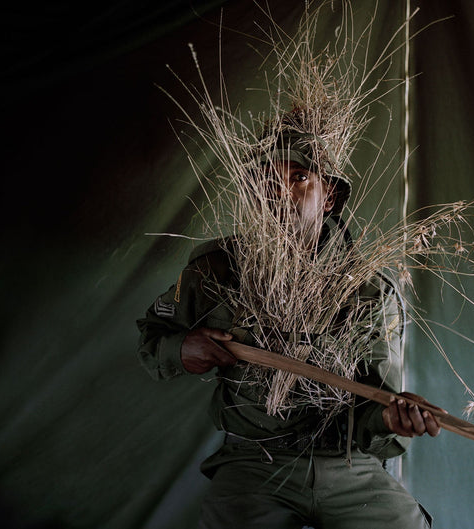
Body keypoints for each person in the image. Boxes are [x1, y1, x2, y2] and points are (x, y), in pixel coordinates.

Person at [137, 129, 441, 528]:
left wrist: (390, 419)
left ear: (329, 195)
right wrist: (182, 349)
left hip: (347, 463)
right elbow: (153, 337)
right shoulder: (214, 269)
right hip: (253, 461)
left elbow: (376, 407)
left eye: (298, 178)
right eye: (266, 183)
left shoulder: (368, 291)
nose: (280, 194)